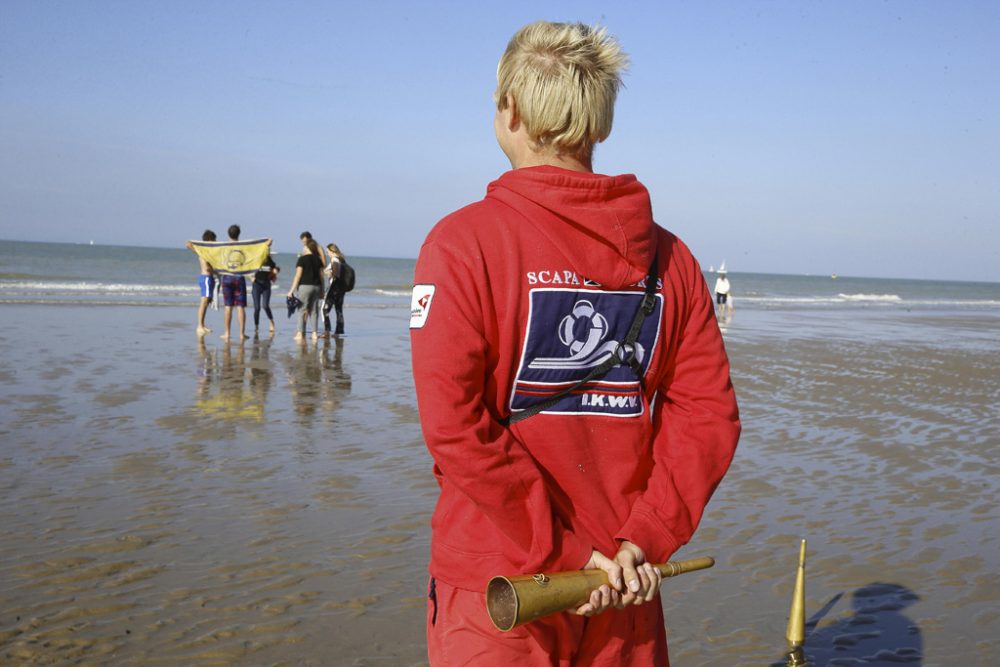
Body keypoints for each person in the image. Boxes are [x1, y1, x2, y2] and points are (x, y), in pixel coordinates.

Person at [409, 21, 740, 666]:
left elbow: (453, 426)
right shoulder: (672, 258)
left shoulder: (460, 244)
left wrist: (573, 549)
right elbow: (708, 417)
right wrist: (642, 540)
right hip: (622, 578)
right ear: (601, 122)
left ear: (507, 111)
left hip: (503, 584)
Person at [287, 238, 323, 342]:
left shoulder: (302, 259)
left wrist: (291, 290)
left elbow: (298, 276)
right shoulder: (318, 260)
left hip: (305, 287)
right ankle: (315, 334)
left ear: (307, 247)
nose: (303, 248)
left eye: (304, 246)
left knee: (302, 310)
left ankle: (300, 334)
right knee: (314, 311)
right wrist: (322, 291)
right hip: (316, 287)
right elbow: (321, 277)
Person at [219, 225, 250, 341]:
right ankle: (241, 334)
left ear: (228, 234)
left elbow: (214, 256)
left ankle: (227, 333)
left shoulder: (223, 247)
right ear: (239, 233)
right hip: (238, 277)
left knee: (228, 306)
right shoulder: (243, 246)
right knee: (240, 306)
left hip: (227, 277)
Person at [186, 229, 217, 336]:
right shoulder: (203, 251)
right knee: (204, 302)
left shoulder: (206, 252)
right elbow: (188, 244)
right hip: (206, 278)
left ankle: (202, 325)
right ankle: (199, 326)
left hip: (208, 278)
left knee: (206, 302)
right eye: (214, 240)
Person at [322, 243, 347, 336]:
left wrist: (329, 273)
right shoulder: (341, 260)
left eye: (327, 251)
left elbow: (336, 274)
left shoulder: (334, 259)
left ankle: (327, 330)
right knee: (338, 310)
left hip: (334, 288)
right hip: (341, 288)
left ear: (332, 251)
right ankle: (338, 331)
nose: (327, 253)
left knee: (324, 309)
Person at [252, 252, 280, 336]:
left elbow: (275, 272)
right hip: (256, 285)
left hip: (266, 285)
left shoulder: (270, 262)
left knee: (265, 306)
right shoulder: (256, 259)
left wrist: (275, 272)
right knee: (257, 308)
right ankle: (256, 326)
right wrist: (250, 277)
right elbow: (248, 269)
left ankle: (271, 322)